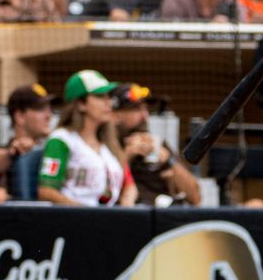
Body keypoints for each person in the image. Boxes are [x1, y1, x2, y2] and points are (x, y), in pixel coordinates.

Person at [38, 70, 137, 207]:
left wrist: (127, 203)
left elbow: (129, 185)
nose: (108, 102)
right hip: (73, 220)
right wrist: (85, 212)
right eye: (99, 96)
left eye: (108, 96)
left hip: (110, 219)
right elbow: (46, 191)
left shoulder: (110, 143)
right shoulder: (61, 139)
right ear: (81, 104)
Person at [113, 82, 200, 206]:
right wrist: (127, 155)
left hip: (162, 216)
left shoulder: (157, 143)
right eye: (136, 109)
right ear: (115, 114)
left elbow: (196, 197)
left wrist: (169, 161)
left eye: (146, 109)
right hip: (128, 215)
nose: (145, 116)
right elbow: (103, 191)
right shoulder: (109, 144)